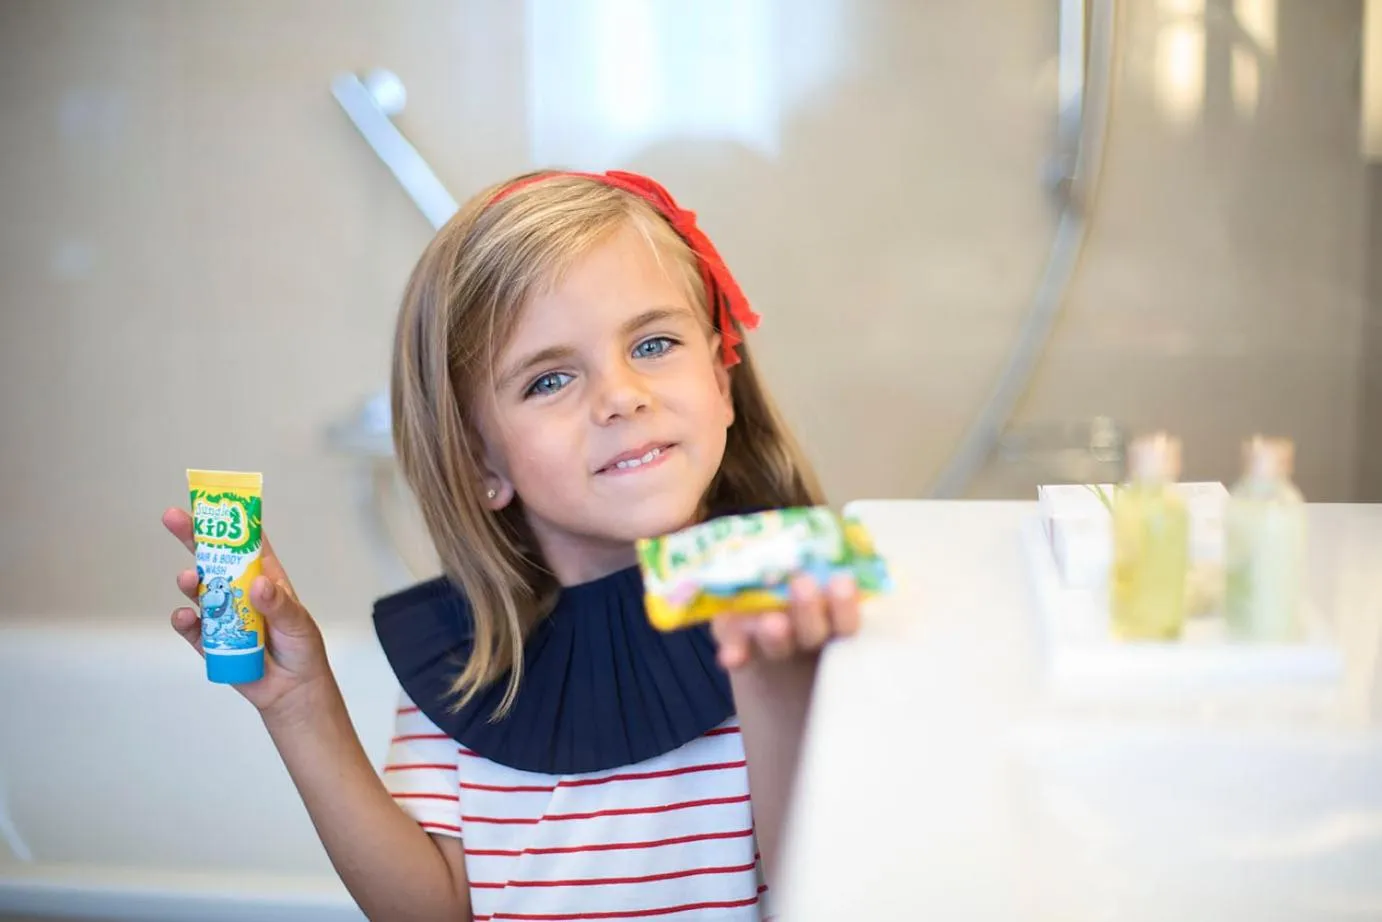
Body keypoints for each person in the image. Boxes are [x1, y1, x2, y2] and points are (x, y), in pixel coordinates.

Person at [162, 170, 861, 921]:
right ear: (481, 463)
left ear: (723, 381)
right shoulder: (465, 660)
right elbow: (434, 912)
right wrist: (301, 708)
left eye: (654, 343)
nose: (622, 395)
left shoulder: (804, 594)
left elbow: (836, 893)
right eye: (550, 380)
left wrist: (774, 679)